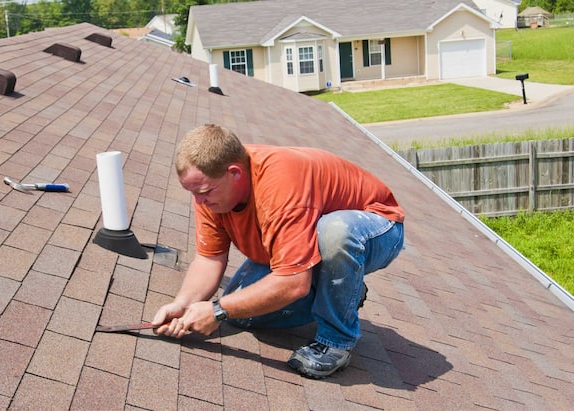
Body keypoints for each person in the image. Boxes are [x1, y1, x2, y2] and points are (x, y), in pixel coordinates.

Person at [152, 124, 405, 379]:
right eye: (192, 192)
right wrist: (183, 305)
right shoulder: (210, 189)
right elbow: (210, 257)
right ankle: (341, 290)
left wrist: (217, 310)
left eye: (204, 192)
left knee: (335, 231)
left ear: (234, 173)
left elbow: (293, 283)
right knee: (242, 314)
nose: (198, 201)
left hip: (377, 227)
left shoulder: (280, 184)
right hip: (310, 241)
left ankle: (337, 341)